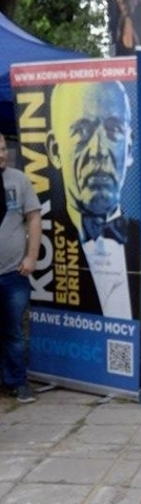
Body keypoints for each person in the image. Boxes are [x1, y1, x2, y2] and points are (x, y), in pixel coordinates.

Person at [46, 80, 140, 320]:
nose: (99, 150)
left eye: (113, 130)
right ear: (55, 150)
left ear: (129, 149)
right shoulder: (46, 245)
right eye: (82, 131)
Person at [0, 133, 42, 403]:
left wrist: (32, 257)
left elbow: (34, 218)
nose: (2, 154)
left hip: (12, 273)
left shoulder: (19, 180)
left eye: (3, 148)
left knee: (14, 332)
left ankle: (17, 382)